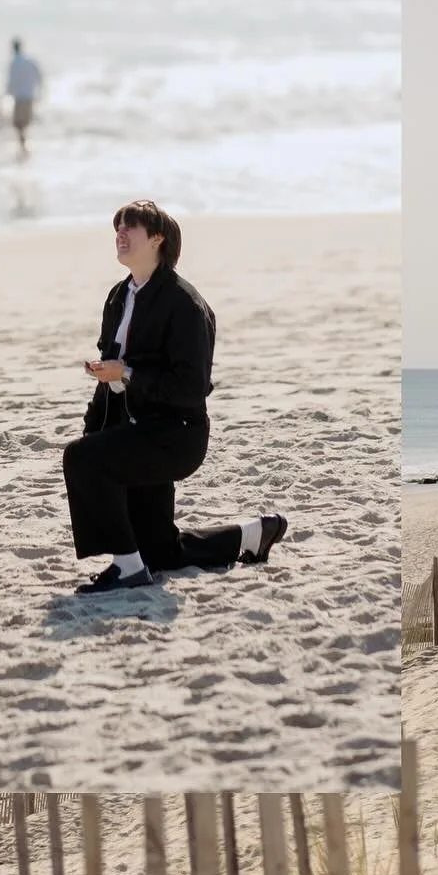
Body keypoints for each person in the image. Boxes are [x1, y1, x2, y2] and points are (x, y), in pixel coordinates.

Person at [62, 200, 288, 593]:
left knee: (81, 460)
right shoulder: (119, 296)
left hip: (175, 435)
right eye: (117, 226)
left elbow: (191, 386)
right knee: (160, 550)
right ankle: (252, 535)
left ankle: (128, 569)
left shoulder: (185, 304)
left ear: (157, 239)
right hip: (132, 429)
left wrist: (128, 375)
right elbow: (111, 371)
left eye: (130, 227)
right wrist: (94, 421)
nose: (120, 233)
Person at [5, 38, 42, 156]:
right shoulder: (30, 61)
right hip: (29, 95)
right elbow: (39, 76)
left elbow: (11, 81)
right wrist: (39, 92)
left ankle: (24, 147)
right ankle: (24, 146)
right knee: (23, 123)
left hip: (20, 96)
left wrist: (7, 94)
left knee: (18, 123)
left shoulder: (14, 63)